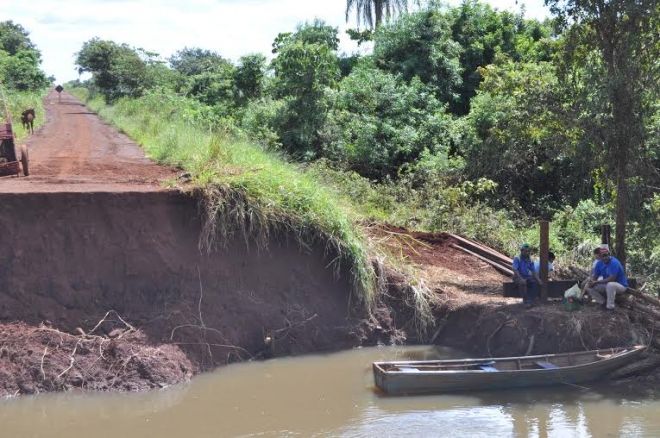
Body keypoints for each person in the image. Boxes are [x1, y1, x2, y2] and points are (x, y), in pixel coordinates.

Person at [512, 243, 543, 308]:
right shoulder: (517, 258)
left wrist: (538, 280)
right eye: (526, 251)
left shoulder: (530, 259)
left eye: (528, 251)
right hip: (518, 276)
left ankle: (530, 300)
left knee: (534, 283)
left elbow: (533, 271)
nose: (527, 252)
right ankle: (525, 301)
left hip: (526, 276)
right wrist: (521, 279)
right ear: (521, 251)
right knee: (523, 283)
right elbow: (515, 270)